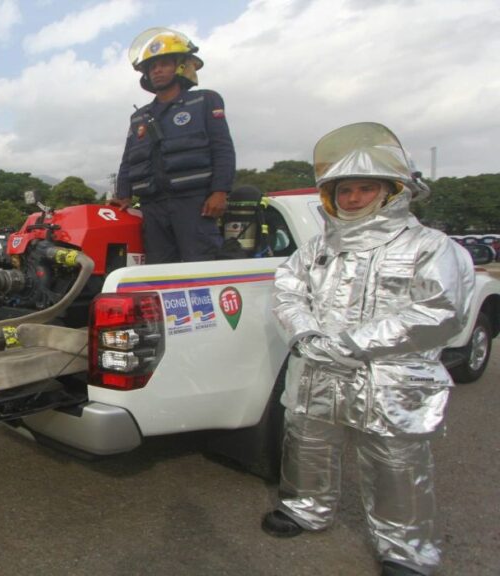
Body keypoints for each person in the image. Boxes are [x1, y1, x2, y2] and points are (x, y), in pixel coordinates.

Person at [261, 123, 474, 576]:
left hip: (390, 378)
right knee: (307, 443)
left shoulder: (431, 247)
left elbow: (441, 311)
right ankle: (305, 507)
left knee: (395, 462)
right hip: (318, 368)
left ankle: (405, 548)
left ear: (392, 192)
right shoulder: (317, 249)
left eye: (365, 188)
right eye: (345, 191)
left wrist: (353, 344)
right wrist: (304, 335)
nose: (353, 198)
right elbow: (287, 292)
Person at [112, 27, 235, 263]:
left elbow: (222, 148)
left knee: (200, 267)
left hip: (195, 204)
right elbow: (129, 160)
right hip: (151, 207)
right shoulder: (140, 117)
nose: (157, 70)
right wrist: (123, 195)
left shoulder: (205, 101)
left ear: (180, 66)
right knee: (159, 271)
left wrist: (220, 191)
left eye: (164, 64)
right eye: (151, 67)